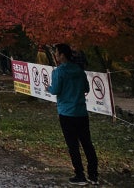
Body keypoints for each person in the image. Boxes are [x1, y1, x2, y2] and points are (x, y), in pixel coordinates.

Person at [47, 43, 98, 185]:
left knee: (73, 145)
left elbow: (55, 90)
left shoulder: (58, 72)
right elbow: (86, 88)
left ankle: (80, 175)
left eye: (57, 53)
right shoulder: (79, 70)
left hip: (66, 113)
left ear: (62, 55)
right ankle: (93, 175)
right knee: (87, 143)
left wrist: (48, 88)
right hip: (81, 112)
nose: (55, 55)